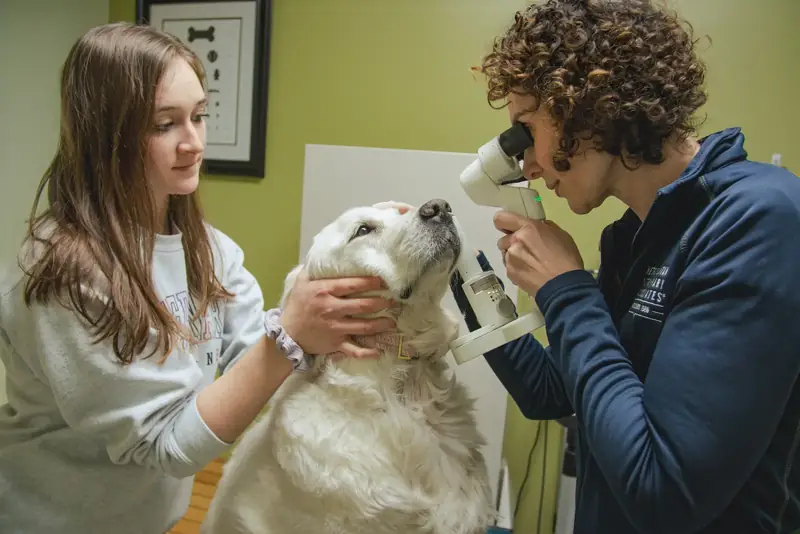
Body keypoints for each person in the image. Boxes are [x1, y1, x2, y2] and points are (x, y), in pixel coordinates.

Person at [0, 22, 398, 533]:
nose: (193, 143)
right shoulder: (63, 277)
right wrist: (292, 334)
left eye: (199, 116)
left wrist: (339, 303)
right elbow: (167, 445)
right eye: (164, 124)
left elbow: (252, 365)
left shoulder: (209, 251)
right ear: (107, 135)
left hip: (151, 519)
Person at [447, 1, 800, 533]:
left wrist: (565, 289)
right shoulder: (631, 237)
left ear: (588, 106)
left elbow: (663, 491)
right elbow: (555, 394)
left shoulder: (758, 219)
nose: (528, 165)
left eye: (525, 131)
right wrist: (467, 289)